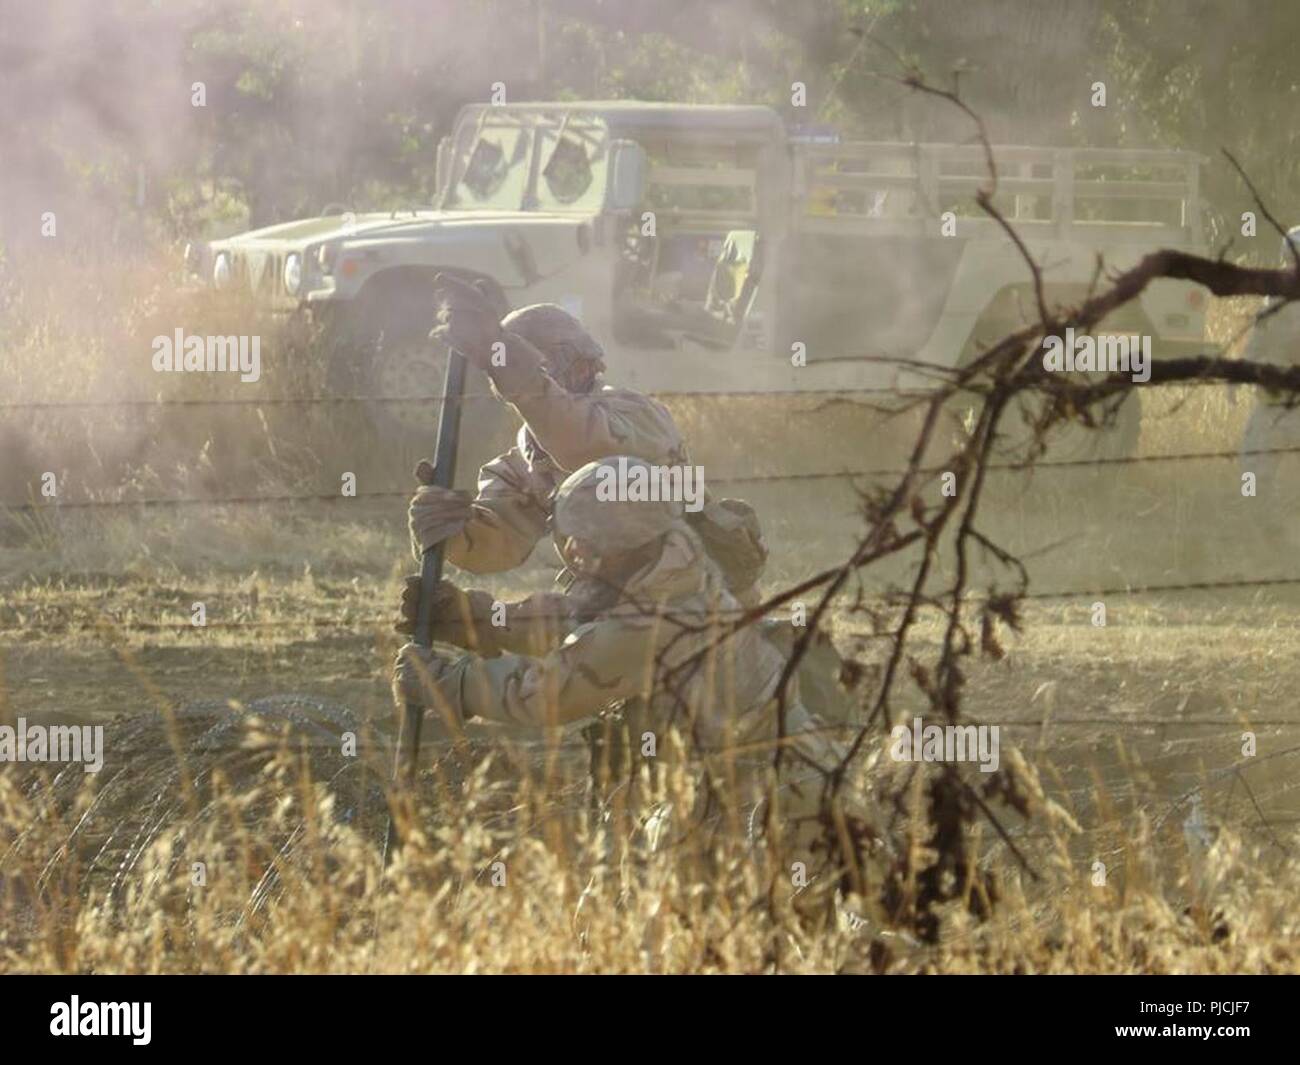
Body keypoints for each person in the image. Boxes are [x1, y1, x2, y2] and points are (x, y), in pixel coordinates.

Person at [394, 456, 843, 835]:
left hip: (775, 801)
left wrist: (447, 683)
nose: (572, 552)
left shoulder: (651, 621)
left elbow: (544, 696)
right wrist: (473, 620)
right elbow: (577, 619)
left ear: (617, 544)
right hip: (749, 784)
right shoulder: (667, 563)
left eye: (582, 543)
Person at [409, 274, 768, 605]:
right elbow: (496, 545)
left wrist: (498, 353)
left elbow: (585, 445)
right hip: (619, 612)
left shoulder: (636, 414)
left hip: (701, 601)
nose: (583, 369)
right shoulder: (521, 463)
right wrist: (450, 528)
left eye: (543, 367)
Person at [1240, 225, 1300, 546]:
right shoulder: (1274, 297)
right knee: (1251, 468)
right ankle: (1264, 529)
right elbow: (1258, 338)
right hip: (1274, 403)